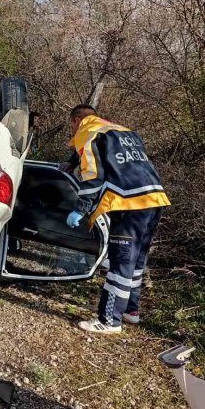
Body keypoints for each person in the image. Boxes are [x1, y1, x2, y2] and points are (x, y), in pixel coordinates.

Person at [64, 104, 170, 333]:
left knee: (120, 261)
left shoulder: (87, 132)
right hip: (154, 198)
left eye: (72, 126)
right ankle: (131, 311)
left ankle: (109, 320)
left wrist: (81, 209)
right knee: (136, 260)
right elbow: (109, 156)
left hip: (129, 202)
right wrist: (72, 162)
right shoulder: (121, 130)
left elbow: (93, 175)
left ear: (75, 120)